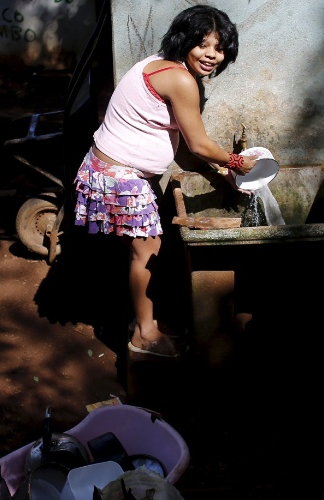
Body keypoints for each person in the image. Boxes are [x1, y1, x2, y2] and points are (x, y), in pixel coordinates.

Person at [72, 5, 260, 358]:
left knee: (143, 251)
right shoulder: (181, 80)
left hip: (107, 166)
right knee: (147, 252)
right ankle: (143, 333)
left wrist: (219, 172)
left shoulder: (158, 63)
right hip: (121, 175)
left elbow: (188, 143)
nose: (212, 56)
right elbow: (199, 143)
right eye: (203, 45)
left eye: (219, 49)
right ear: (184, 40)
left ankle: (144, 321)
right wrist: (237, 162)